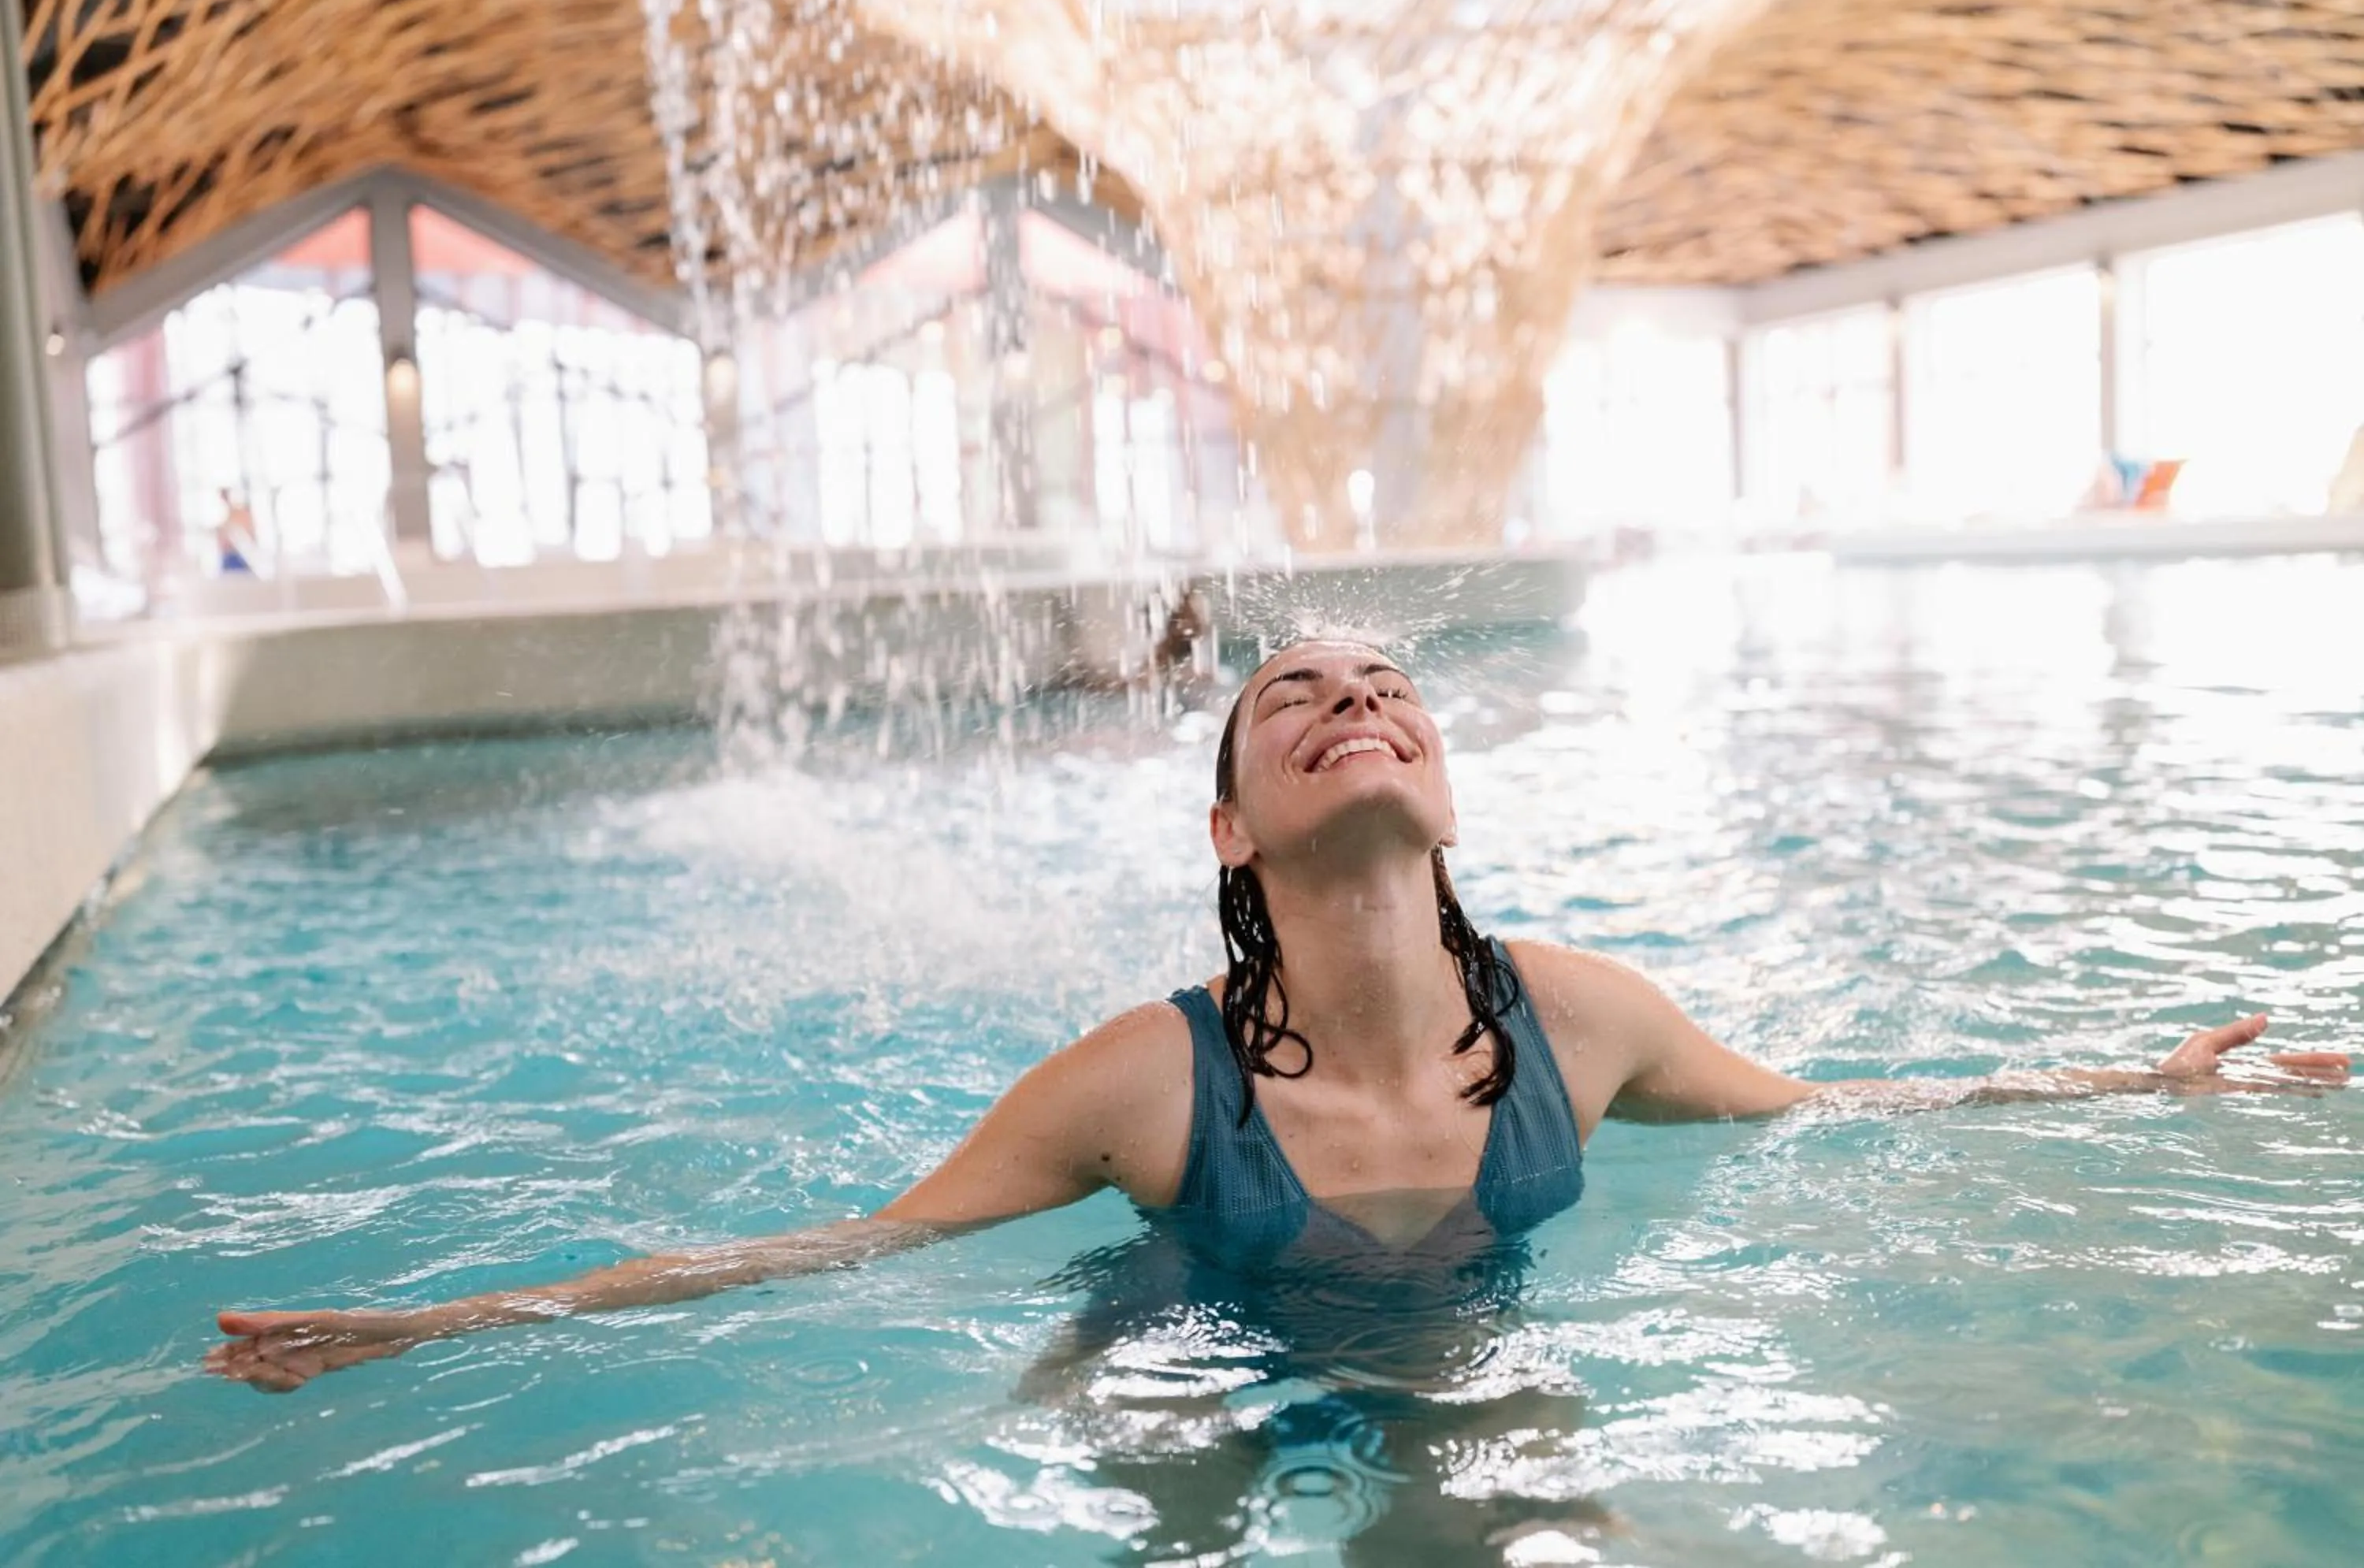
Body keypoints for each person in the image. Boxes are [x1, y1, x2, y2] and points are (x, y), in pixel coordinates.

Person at [206, 639, 2350, 1539]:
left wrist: (2140, 1093)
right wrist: (439, 1325)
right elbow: (830, 1251)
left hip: (1461, 1355)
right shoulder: (1151, 1079)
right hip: (1181, 1361)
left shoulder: (1585, 1020)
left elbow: (1845, 1115)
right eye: (1292, 698)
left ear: (1438, 780)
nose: (1353, 699)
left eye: (1382, 685)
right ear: (1233, 829)